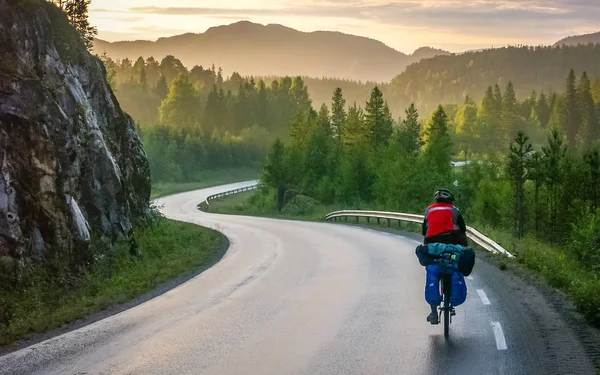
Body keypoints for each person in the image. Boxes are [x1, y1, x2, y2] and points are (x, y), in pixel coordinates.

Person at [422, 188, 468, 325]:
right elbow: (463, 230)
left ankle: (433, 313)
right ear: (450, 200)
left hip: (433, 245)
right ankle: (452, 299)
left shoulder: (429, 210)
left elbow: (425, 230)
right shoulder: (454, 210)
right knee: (455, 265)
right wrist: (464, 248)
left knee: (431, 269)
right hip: (453, 244)